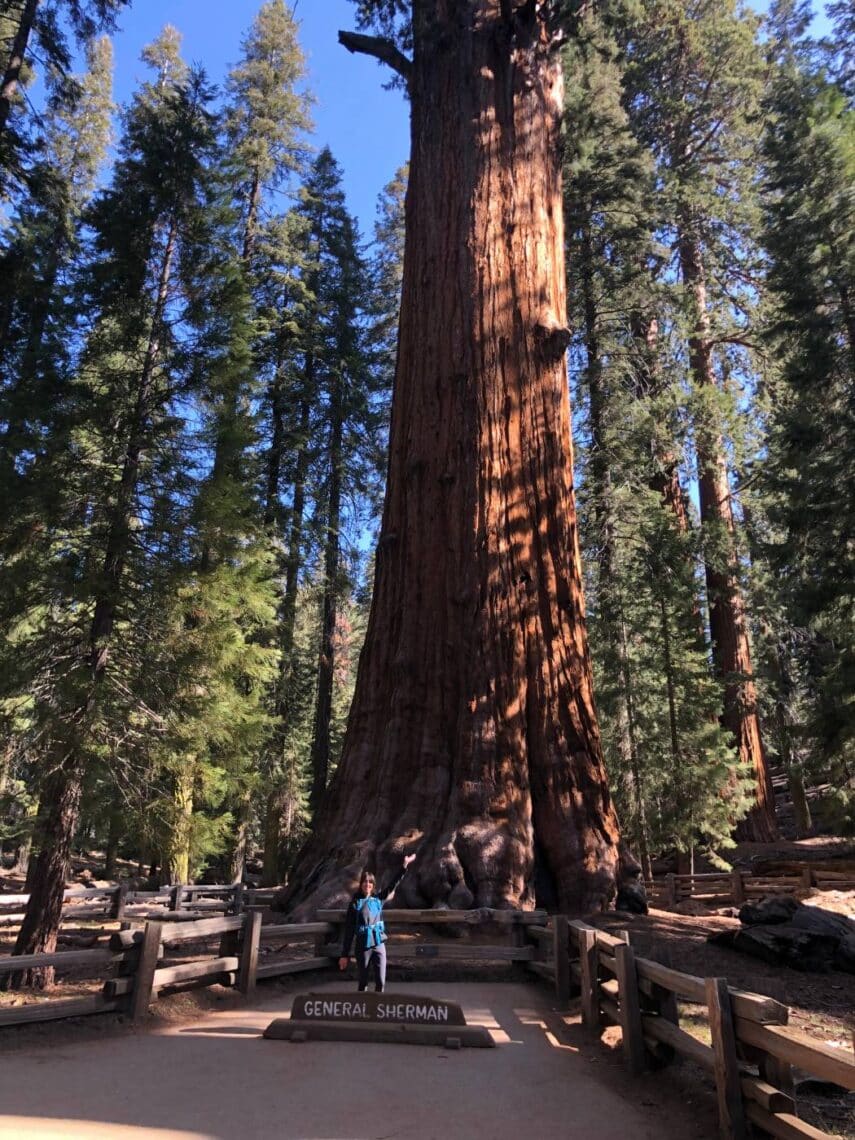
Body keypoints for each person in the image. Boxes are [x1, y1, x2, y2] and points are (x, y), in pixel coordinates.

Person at [338, 853, 416, 993]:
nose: (367, 884)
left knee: (381, 981)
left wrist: (404, 866)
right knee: (363, 982)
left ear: (373, 885)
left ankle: (377, 1010)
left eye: (370, 882)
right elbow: (349, 930)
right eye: (365, 882)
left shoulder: (378, 899)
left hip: (378, 943)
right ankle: (363, 1009)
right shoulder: (355, 904)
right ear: (361, 884)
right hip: (363, 945)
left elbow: (393, 885)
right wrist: (344, 955)